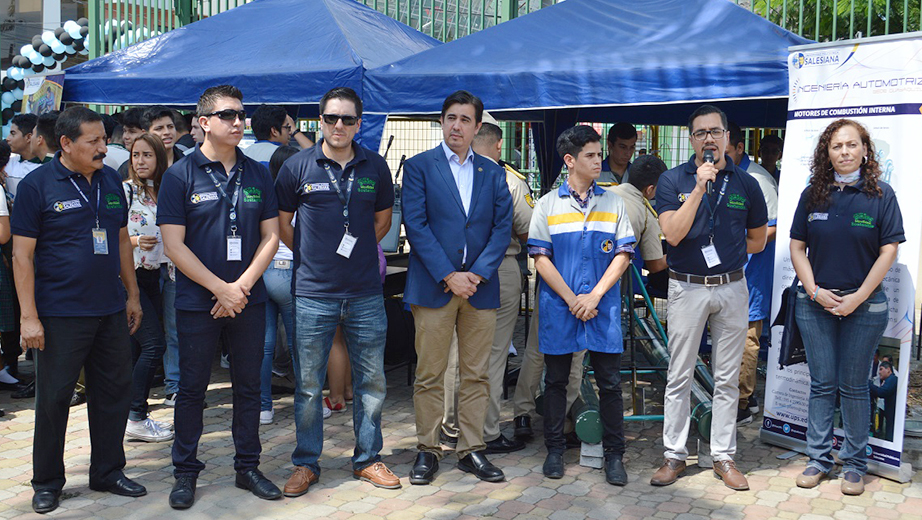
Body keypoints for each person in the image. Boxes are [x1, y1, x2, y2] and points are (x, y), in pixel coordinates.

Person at [11, 106, 145, 514]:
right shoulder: (38, 185)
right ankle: (47, 481)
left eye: (105, 139)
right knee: (54, 399)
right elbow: (21, 255)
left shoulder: (110, 180)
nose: (105, 147)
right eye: (95, 141)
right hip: (60, 313)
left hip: (109, 308)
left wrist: (133, 295)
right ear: (66, 144)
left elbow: (122, 241)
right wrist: (29, 316)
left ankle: (107, 471)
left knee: (113, 394)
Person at [158, 85, 282, 509]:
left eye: (241, 115)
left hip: (248, 298)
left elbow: (272, 236)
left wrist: (240, 287)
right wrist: (220, 288)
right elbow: (173, 245)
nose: (237, 122)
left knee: (249, 387)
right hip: (199, 301)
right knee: (192, 389)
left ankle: (248, 467)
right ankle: (185, 472)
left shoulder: (258, 172)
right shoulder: (180, 175)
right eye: (228, 115)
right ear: (204, 122)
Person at [276, 87, 399, 496]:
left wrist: (357, 250)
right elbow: (283, 225)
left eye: (347, 119)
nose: (339, 125)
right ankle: (306, 463)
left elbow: (381, 221)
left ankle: (367, 459)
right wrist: (312, 257)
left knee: (372, 383)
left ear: (359, 124)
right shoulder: (297, 166)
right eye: (331, 118)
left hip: (364, 291)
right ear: (320, 121)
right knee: (309, 386)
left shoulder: (375, 167)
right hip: (312, 292)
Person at [651, 105, 767, 491]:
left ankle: (723, 455)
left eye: (715, 132)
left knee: (727, 378)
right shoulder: (672, 180)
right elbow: (673, 235)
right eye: (701, 133)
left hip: (732, 287)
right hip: (686, 288)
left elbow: (758, 239)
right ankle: (674, 455)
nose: (709, 139)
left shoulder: (747, 183)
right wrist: (700, 188)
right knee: (679, 373)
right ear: (691, 139)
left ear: (728, 137)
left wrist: (728, 260)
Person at [402, 90, 512, 485]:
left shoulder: (493, 172)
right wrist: (450, 275)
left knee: (476, 374)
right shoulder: (419, 167)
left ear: (477, 126)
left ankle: (471, 449)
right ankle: (428, 450)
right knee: (430, 374)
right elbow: (416, 226)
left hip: (479, 289)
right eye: (451, 118)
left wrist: (477, 274)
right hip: (436, 287)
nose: (457, 126)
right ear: (441, 121)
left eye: (465, 120)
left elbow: (501, 229)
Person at [790, 118, 903, 496]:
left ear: (865, 150)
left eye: (851, 145)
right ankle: (818, 460)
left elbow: (889, 250)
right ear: (827, 153)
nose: (844, 152)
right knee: (822, 384)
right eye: (836, 146)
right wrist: (815, 289)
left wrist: (857, 297)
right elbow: (796, 247)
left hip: (865, 307)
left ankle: (854, 463)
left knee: (854, 386)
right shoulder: (813, 194)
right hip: (815, 304)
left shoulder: (882, 195)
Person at [528, 125, 635, 484]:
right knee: (556, 380)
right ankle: (555, 450)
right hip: (561, 306)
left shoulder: (614, 201)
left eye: (598, 153)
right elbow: (541, 259)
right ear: (570, 161)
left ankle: (615, 455)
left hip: (601, 306)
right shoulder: (547, 205)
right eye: (590, 155)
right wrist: (573, 299)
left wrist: (595, 296)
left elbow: (623, 254)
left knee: (610, 382)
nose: (598, 160)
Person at [441, 114, 531, 454]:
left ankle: (450, 426)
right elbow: (527, 230)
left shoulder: (446, 173)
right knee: (492, 355)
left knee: (454, 353)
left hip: (452, 274)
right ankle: (486, 430)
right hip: (499, 269)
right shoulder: (508, 180)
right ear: (497, 144)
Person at [726, 122, 779, 425]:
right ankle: (743, 395)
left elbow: (774, 226)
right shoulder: (721, 175)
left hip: (752, 272)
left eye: (724, 149)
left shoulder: (760, 180)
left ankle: (742, 404)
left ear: (739, 147)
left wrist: (740, 245)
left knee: (747, 337)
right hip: (726, 271)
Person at [123, 133, 174, 442]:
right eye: (135, 155)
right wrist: (134, 241)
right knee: (154, 345)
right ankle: (136, 416)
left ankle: (127, 414)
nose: (139, 161)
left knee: (137, 347)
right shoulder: (125, 191)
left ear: (159, 159)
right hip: (129, 278)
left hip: (156, 276)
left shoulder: (165, 191)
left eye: (146, 155)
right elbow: (102, 235)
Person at [258, 144, 300, 426]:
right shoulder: (297, 198)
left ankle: (263, 406)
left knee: (264, 345)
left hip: (263, 271)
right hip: (289, 273)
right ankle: (305, 403)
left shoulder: (264, 196)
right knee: (301, 344)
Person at [245, 105, 314, 165]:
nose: (290, 132)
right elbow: (316, 157)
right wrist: (295, 131)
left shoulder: (243, 154)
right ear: (274, 131)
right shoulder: (287, 155)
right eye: (288, 127)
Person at [870, 361, 898, 441]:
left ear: (888, 369)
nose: (879, 372)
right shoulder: (889, 380)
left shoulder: (892, 379)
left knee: (890, 431)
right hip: (889, 410)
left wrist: (870, 385)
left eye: (881, 369)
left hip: (892, 411)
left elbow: (882, 392)